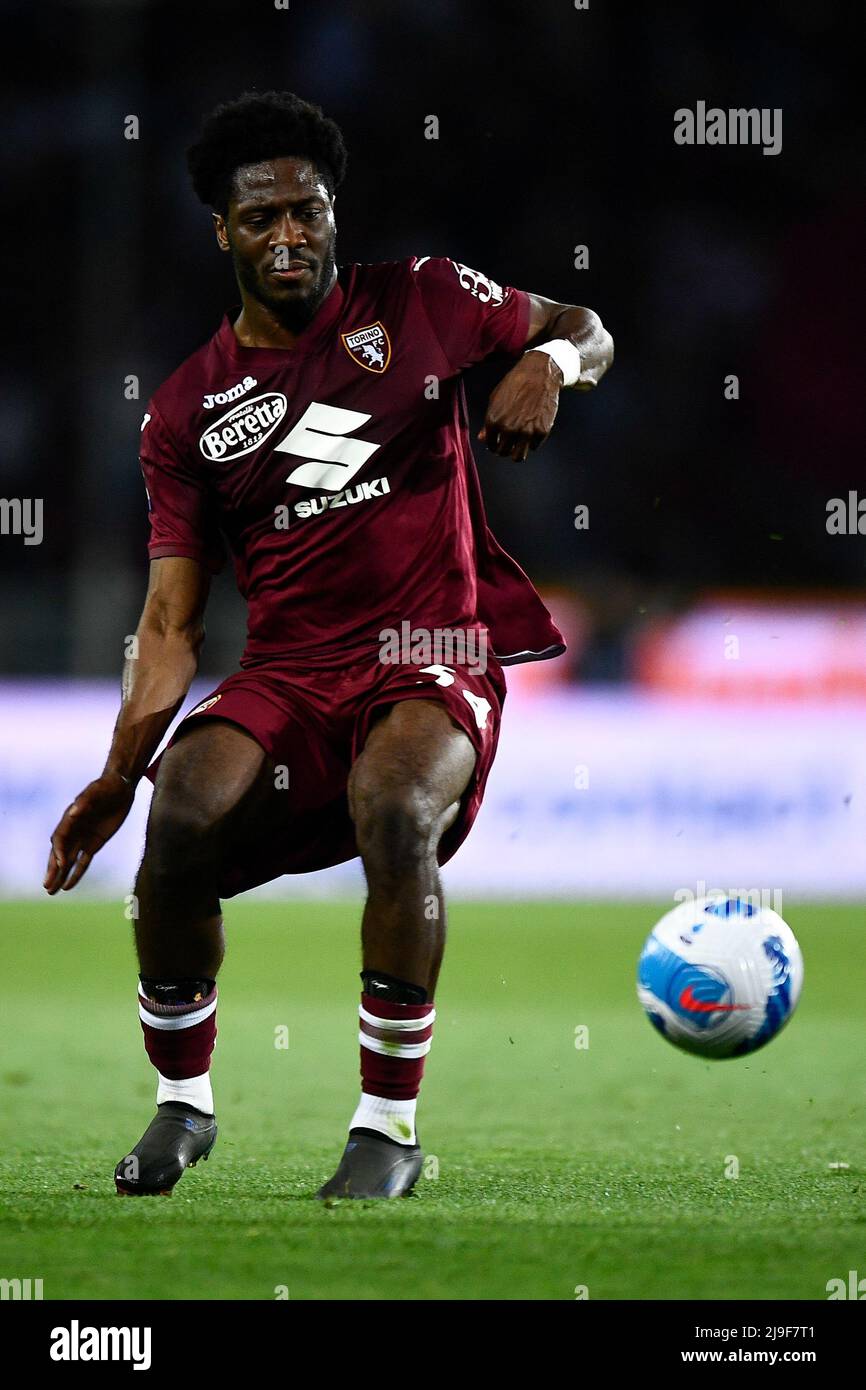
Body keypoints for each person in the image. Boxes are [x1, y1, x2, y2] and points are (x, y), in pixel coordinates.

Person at [44, 91, 614, 1199]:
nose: (288, 236)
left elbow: (585, 322)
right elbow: (170, 622)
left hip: (432, 649)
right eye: (260, 219)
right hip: (290, 672)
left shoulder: (427, 301)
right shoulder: (183, 413)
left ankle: (385, 1127)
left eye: (305, 211)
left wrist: (552, 367)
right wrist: (120, 772)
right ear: (224, 232)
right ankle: (182, 1106)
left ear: (332, 210)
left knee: (395, 809)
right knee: (181, 817)